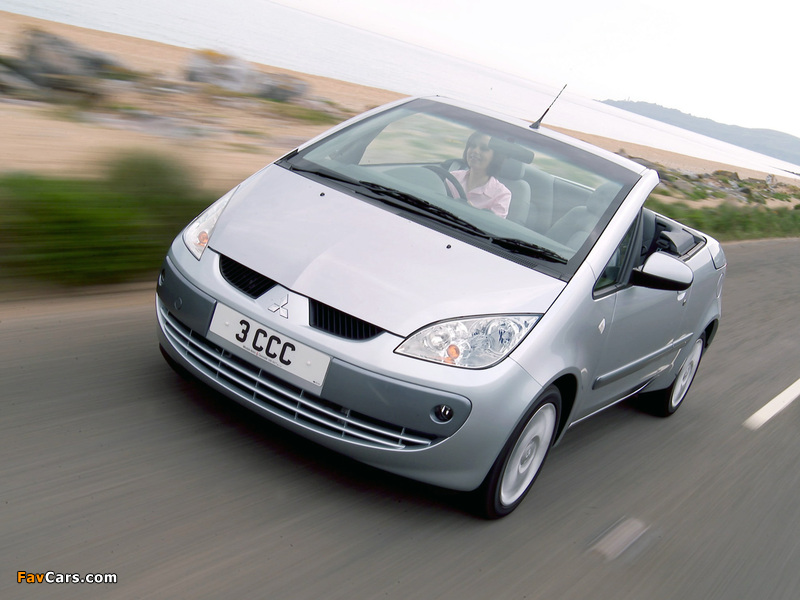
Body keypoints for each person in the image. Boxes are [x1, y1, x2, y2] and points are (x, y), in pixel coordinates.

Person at [448, 132, 511, 218]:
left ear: (495, 157)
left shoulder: (502, 195)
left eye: (484, 149)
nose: (475, 151)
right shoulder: (452, 177)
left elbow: (491, 225)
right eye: (472, 146)